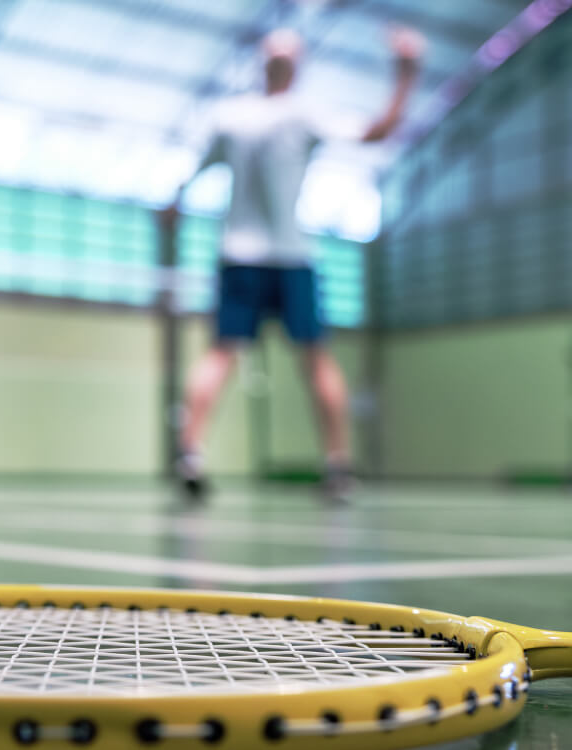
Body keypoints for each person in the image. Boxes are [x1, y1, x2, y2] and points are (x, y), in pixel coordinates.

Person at [161, 27, 423, 503]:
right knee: (300, 356)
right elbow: (377, 132)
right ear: (291, 66)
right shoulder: (279, 114)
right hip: (282, 257)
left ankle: (192, 454)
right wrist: (407, 74)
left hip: (254, 256)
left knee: (231, 351)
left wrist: (174, 206)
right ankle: (335, 465)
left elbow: (191, 179)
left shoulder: (239, 115)